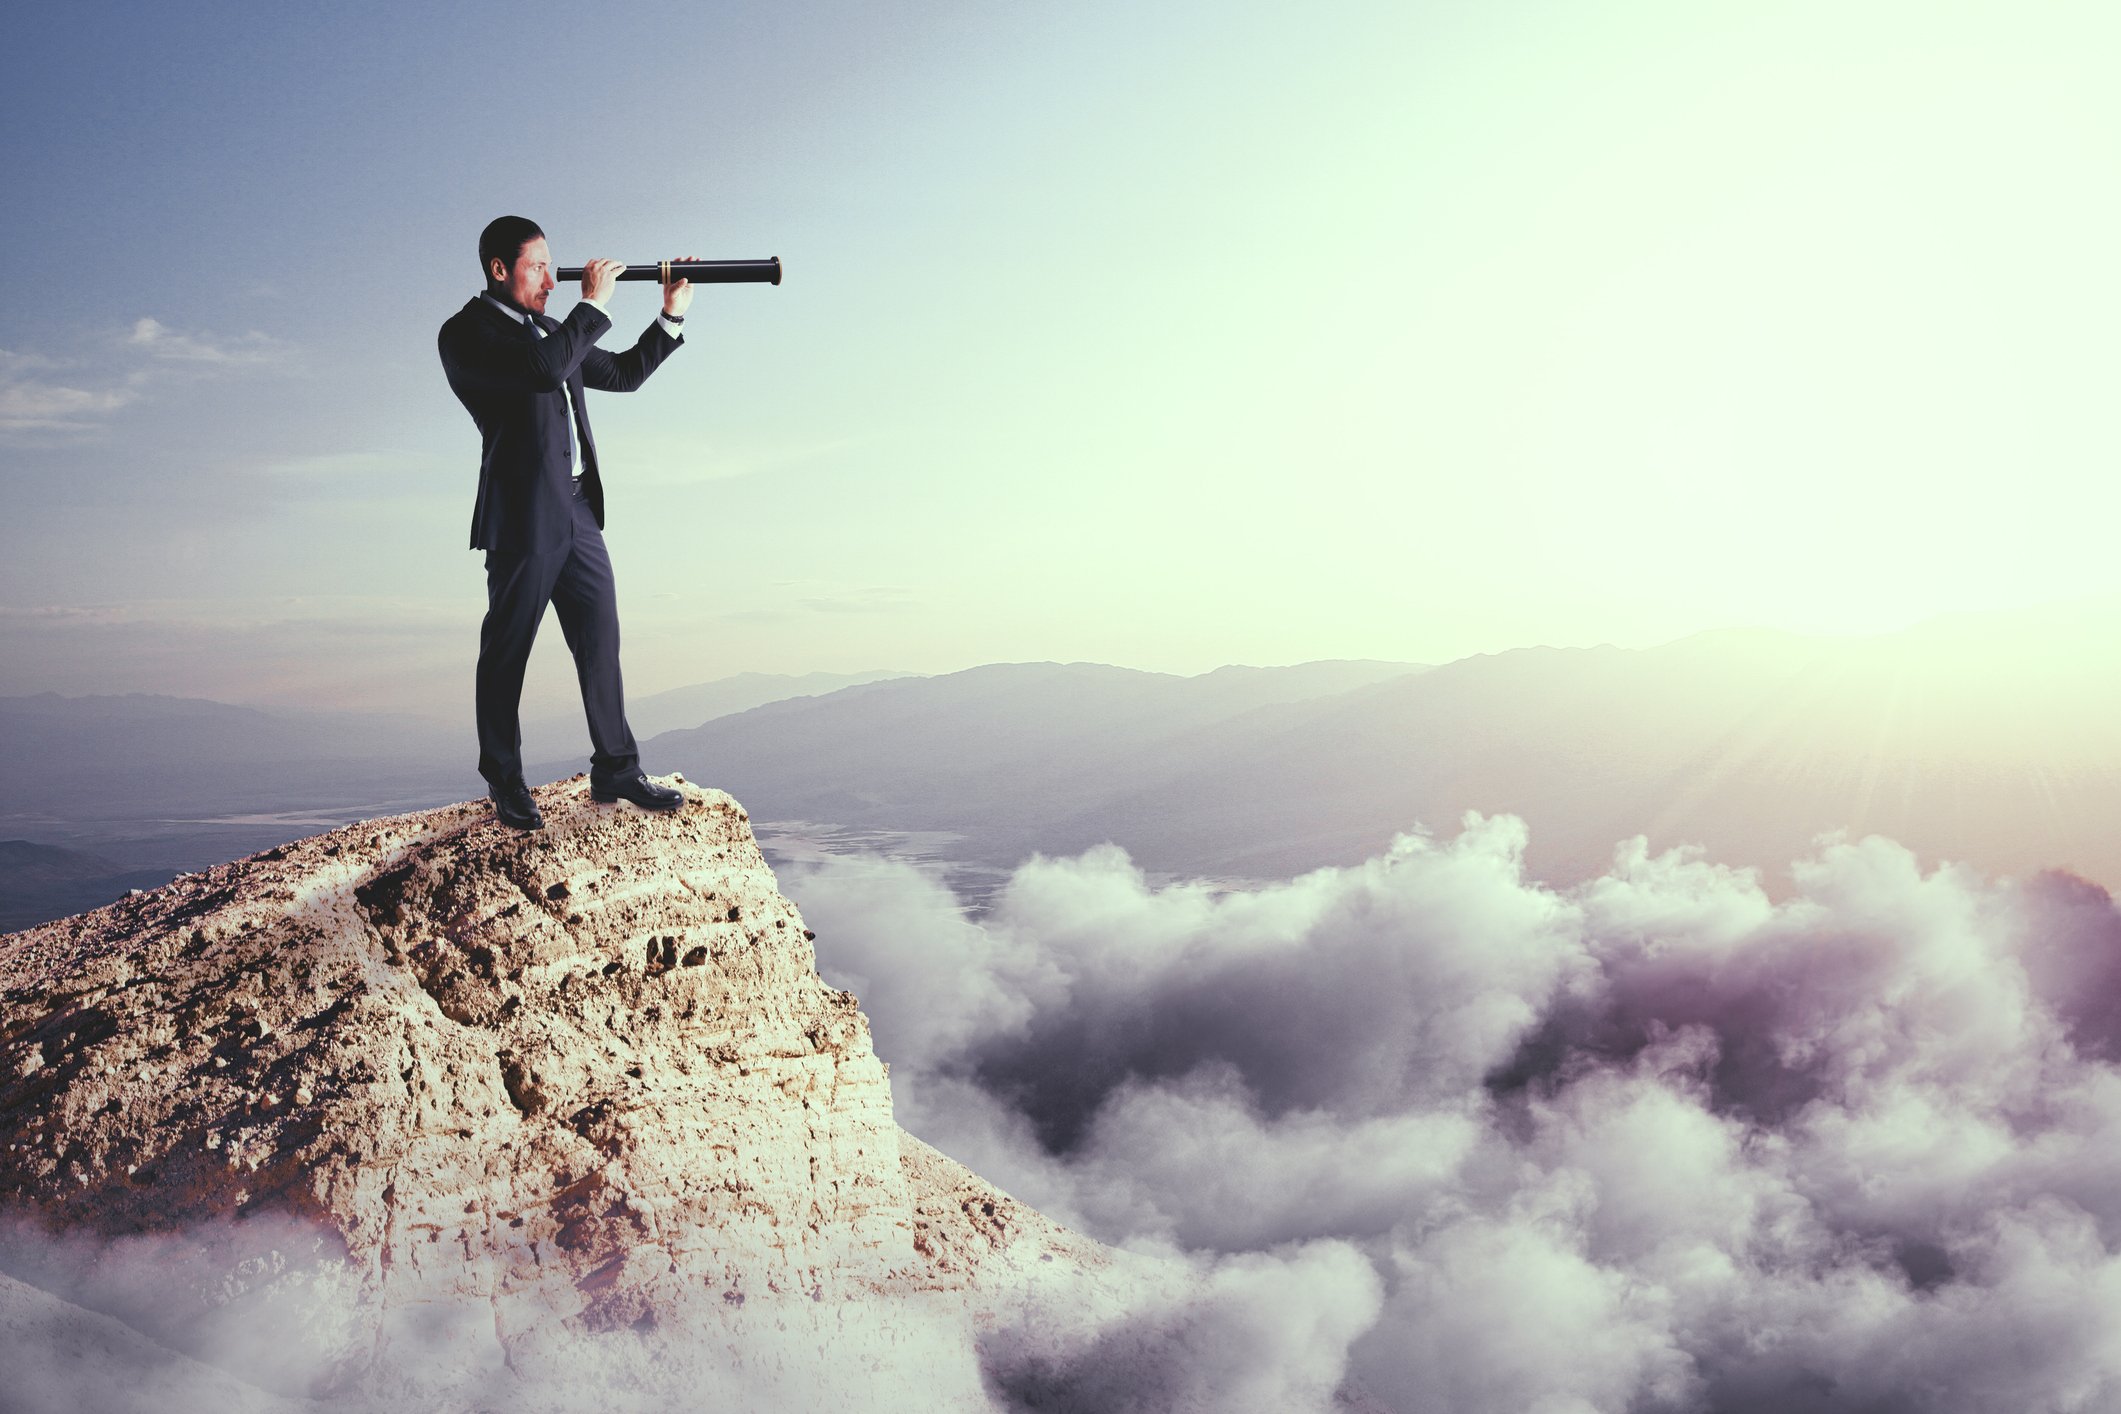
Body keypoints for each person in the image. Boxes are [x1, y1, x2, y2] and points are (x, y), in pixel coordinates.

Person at [437, 215, 691, 831]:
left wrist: (670, 315)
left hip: (578, 510)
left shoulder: (554, 330)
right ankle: (504, 779)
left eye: (553, 266)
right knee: (508, 650)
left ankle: (617, 768)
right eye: (538, 267)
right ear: (499, 269)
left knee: (600, 638)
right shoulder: (465, 334)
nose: (552, 280)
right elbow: (540, 370)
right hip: (523, 518)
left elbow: (623, 374)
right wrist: (593, 305)